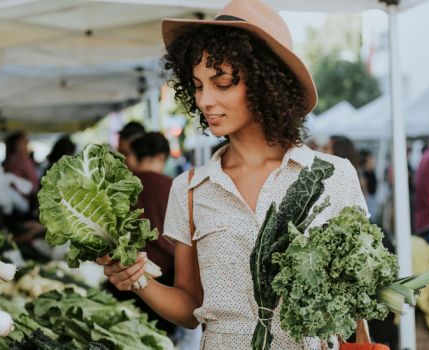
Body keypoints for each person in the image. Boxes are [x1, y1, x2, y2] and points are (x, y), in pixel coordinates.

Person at [96, 0, 368, 347]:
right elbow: (190, 306)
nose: (204, 100)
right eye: (197, 85)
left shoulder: (334, 176)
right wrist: (139, 279)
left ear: (267, 82)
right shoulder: (191, 189)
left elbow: (359, 300)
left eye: (221, 83)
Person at [107, 132, 177, 334]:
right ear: (162, 157)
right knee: (158, 338)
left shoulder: (119, 188)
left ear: (135, 155)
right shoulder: (174, 187)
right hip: (165, 281)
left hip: (123, 275)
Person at [3, 131, 40, 199]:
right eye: (24, 142)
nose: (26, 144)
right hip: (24, 199)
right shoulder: (23, 160)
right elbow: (34, 184)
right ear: (16, 144)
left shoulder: (9, 160)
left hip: (14, 197)